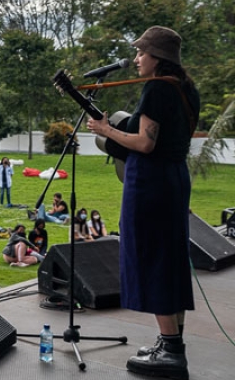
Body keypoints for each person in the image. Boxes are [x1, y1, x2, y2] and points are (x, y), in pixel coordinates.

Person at [86, 26, 199, 378]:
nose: (136, 58)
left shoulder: (156, 89)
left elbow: (145, 143)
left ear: (158, 57)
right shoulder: (186, 88)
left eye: (141, 53)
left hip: (151, 184)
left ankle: (172, 353)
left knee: (154, 261)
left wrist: (106, 131)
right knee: (169, 258)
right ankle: (170, 342)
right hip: (175, 178)